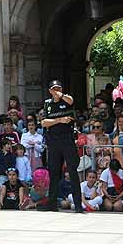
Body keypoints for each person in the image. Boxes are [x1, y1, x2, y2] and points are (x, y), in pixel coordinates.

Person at [40, 80, 83, 212]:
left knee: (72, 171)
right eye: (54, 89)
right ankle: (52, 203)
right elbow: (44, 122)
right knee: (54, 172)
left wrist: (61, 94)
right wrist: (59, 120)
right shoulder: (48, 104)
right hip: (53, 141)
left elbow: (70, 100)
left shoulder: (66, 100)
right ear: (50, 91)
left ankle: (78, 205)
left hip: (67, 140)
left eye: (58, 88)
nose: (56, 90)